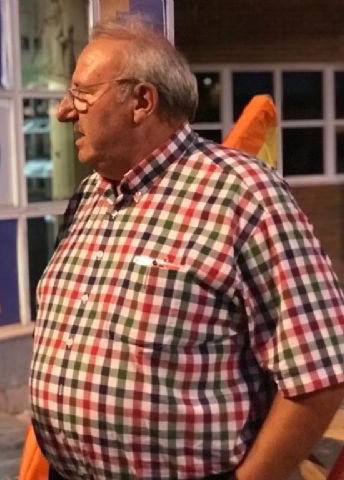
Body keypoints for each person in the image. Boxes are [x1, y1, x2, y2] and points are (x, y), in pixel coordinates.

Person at [29, 16, 344, 480]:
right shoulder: (89, 197)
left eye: (82, 94)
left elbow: (320, 371)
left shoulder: (243, 193)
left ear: (141, 101)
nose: (64, 112)